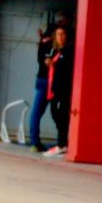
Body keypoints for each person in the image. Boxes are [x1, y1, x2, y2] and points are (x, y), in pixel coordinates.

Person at [28, 12, 68, 152]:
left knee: (44, 111)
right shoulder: (52, 41)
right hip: (48, 81)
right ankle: (54, 142)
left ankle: (37, 141)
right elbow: (46, 60)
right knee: (53, 112)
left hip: (44, 79)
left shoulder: (44, 40)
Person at [44, 26, 74, 156]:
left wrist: (54, 64)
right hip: (54, 87)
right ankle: (62, 141)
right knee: (55, 113)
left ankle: (62, 144)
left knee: (61, 115)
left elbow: (67, 68)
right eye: (58, 34)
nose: (60, 37)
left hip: (64, 88)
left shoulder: (69, 51)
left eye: (63, 34)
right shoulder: (55, 50)